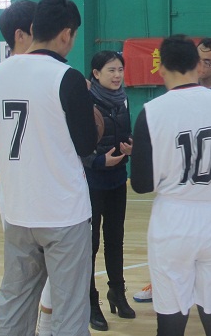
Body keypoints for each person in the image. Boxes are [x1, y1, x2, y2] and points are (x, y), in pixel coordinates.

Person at [0, 0, 96, 336]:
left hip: (17, 210)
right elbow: (87, 144)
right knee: (69, 313)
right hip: (63, 214)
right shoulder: (67, 77)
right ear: (66, 34)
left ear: (33, 28)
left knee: (13, 305)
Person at [129, 34, 211, 336]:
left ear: (161, 68)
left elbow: (142, 184)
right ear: (198, 65)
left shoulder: (151, 111)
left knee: (171, 320)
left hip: (173, 219)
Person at [0, 0, 57, 336]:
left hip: (14, 188)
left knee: (20, 281)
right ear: (22, 35)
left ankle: (40, 324)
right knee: (51, 270)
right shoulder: (48, 74)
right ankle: (46, 325)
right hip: (42, 188)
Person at [83, 51, 136, 331]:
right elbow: (75, 144)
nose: (117, 76)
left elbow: (126, 132)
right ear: (96, 73)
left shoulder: (123, 99)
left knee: (115, 239)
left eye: (120, 70)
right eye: (111, 70)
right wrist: (97, 161)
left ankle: (117, 291)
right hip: (91, 181)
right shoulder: (84, 101)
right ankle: (91, 302)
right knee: (90, 245)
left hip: (117, 179)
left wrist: (130, 146)